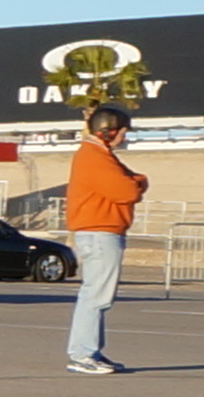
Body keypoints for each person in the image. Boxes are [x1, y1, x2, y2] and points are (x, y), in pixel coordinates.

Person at [62, 101, 146, 374]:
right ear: (107, 131)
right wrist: (138, 182)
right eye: (123, 131)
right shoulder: (94, 156)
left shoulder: (101, 155)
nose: (125, 136)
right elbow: (127, 190)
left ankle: (91, 351)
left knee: (97, 294)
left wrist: (136, 181)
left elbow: (132, 180)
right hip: (100, 232)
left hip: (102, 232)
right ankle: (82, 354)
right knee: (96, 296)